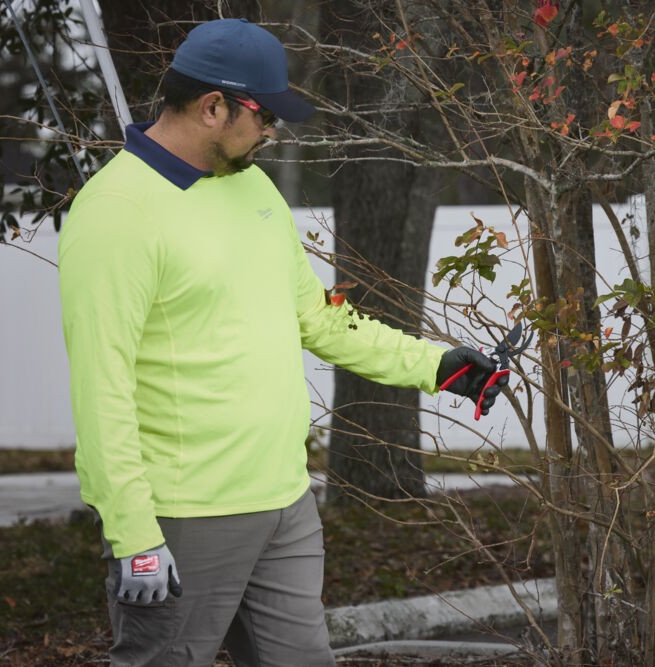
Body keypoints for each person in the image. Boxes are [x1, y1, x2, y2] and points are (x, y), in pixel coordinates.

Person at [58, 18, 506, 667]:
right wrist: (134, 535)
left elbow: (318, 319)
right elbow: (101, 391)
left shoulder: (254, 190)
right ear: (214, 107)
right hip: (186, 519)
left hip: (285, 505)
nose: (272, 131)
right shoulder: (116, 214)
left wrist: (436, 365)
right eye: (265, 115)